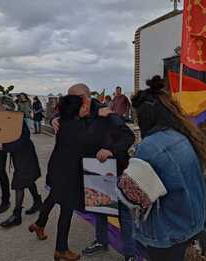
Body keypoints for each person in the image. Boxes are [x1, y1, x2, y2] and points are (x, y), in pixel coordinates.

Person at [29, 84, 135, 261]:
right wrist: (54, 117)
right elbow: (67, 120)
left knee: (121, 210)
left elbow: (128, 137)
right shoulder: (75, 111)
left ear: (85, 98)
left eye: (73, 98)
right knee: (99, 206)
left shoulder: (105, 112)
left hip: (109, 168)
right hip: (86, 168)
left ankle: (130, 253)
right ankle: (101, 241)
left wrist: (111, 150)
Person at [130, 75, 206, 261]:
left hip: (167, 229)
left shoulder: (150, 146)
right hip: (191, 219)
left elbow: (134, 195)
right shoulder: (183, 136)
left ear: (145, 117)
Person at [0, 96, 42, 228]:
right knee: (28, 180)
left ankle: (17, 215)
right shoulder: (4, 119)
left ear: (5, 106)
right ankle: (37, 201)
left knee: (19, 183)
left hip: (25, 155)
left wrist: (4, 146)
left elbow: (23, 139)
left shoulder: (16, 118)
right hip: (18, 155)